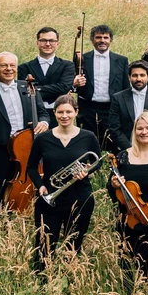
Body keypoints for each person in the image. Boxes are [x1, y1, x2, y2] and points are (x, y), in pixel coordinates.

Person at [28, 94, 101, 270]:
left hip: (80, 196)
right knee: (45, 242)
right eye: (60, 112)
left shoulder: (88, 136)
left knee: (74, 242)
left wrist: (86, 170)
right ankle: (44, 279)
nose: (64, 116)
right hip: (50, 197)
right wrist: (41, 185)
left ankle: (72, 277)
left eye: (69, 111)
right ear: (54, 113)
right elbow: (31, 167)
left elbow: (98, 161)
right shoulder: (43, 139)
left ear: (76, 112)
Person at [0, 52, 50, 206]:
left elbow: (43, 113)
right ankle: (1, 227)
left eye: (12, 65)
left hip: (28, 150)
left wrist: (44, 123)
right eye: (3, 65)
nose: (9, 69)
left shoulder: (28, 87)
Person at [109, 110, 148, 275]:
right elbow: (112, 192)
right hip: (127, 220)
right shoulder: (123, 156)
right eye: (140, 128)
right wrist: (113, 184)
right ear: (134, 131)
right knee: (128, 270)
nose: (144, 132)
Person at [73, 24, 129, 145]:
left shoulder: (122, 60)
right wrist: (75, 84)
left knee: (112, 141)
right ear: (92, 40)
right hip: (88, 108)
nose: (102, 40)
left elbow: (126, 86)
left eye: (105, 37)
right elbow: (74, 85)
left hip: (112, 108)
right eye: (98, 37)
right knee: (87, 142)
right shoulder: (82, 58)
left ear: (110, 40)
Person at [106, 61, 148, 153]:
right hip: (126, 149)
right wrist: (130, 148)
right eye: (135, 75)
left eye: (142, 75)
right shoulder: (118, 98)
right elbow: (114, 128)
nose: (139, 79)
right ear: (129, 77)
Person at [19, 26, 76, 116]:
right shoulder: (24, 67)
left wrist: (35, 89)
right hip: (33, 112)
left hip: (59, 113)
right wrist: (54, 89)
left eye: (52, 41)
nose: (48, 44)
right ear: (37, 43)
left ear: (58, 44)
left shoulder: (67, 65)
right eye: (43, 40)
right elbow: (24, 92)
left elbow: (63, 88)